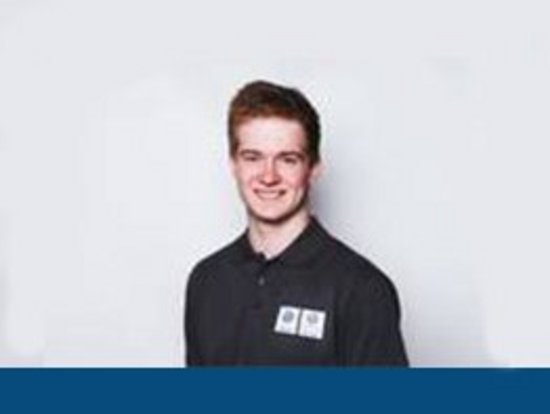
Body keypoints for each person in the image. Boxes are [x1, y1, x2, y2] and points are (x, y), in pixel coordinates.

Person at [184, 80, 408, 366]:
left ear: (313, 169)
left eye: (288, 159)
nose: (268, 176)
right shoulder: (206, 279)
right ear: (234, 165)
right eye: (253, 158)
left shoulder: (362, 289)